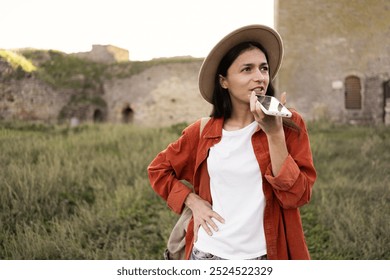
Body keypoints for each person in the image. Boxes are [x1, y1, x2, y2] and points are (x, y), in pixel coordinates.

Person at [148, 25, 317, 260]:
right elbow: (158, 170)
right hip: (208, 254)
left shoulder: (289, 124)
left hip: (266, 255)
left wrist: (274, 134)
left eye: (264, 68)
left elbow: (296, 197)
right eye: (247, 69)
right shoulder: (202, 132)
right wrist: (192, 200)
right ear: (224, 81)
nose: (259, 77)